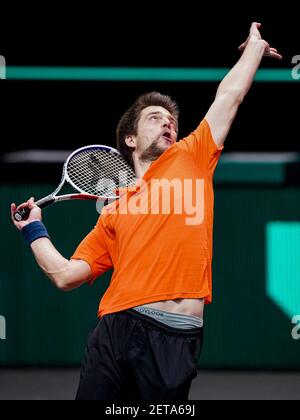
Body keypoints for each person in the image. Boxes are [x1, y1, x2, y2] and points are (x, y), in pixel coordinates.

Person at [11, 22, 282, 400]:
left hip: (175, 336)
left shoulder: (192, 156)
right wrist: (33, 231)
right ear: (131, 139)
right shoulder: (113, 211)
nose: (168, 123)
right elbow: (66, 275)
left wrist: (253, 48)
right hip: (115, 330)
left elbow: (230, 96)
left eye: (171, 120)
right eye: (155, 118)